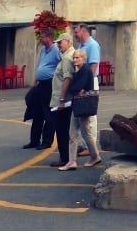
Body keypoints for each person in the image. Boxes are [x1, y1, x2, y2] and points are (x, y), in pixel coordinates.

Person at [58, 49, 102, 170]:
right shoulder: (80, 70)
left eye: (77, 57)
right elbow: (77, 88)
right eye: (74, 58)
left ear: (83, 58)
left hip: (83, 105)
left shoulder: (85, 70)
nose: (74, 60)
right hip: (78, 104)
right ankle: (72, 161)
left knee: (85, 132)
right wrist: (76, 89)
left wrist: (75, 89)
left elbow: (77, 87)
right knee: (73, 133)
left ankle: (95, 156)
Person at [23, 31, 61, 150]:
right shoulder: (43, 50)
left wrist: (57, 79)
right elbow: (40, 66)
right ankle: (34, 140)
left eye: (43, 37)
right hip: (40, 84)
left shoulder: (56, 50)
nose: (41, 39)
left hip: (50, 84)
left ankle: (47, 141)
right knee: (36, 112)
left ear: (49, 37)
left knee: (48, 113)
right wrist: (35, 81)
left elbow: (61, 64)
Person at [74, 23, 101, 157]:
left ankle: (90, 146)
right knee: (82, 114)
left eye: (76, 32)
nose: (75, 34)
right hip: (83, 82)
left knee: (90, 115)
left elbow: (93, 66)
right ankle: (83, 145)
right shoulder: (81, 46)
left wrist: (85, 84)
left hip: (90, 82)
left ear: (84, 31)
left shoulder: (93, 45)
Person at [48, 32, 75, 168]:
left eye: (60, 42)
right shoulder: (68, 56)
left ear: (68, 42)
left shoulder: (67, 58)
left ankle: (64, 157)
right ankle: (66, 156)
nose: (58, 45)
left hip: (63, 99)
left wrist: (62, 99)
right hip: (63, 98)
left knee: (61, 129)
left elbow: (67, 78)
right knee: (64, 128)